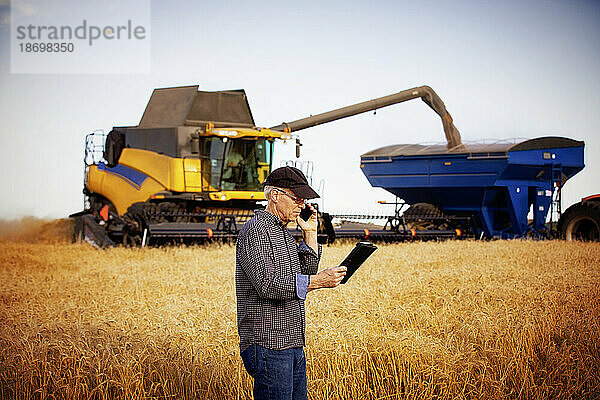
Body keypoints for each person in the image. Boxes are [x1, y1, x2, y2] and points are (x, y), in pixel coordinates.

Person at [235, 166, 347, 400]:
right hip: (268, 343)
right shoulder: (256, 231)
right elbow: (267, 284)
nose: (301, 205)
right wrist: (318, 281)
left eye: (304, 200)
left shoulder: (283, 233)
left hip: (292, 341)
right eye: (297, 198)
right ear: (275, 196)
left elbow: (305, 273)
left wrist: (310, 234)